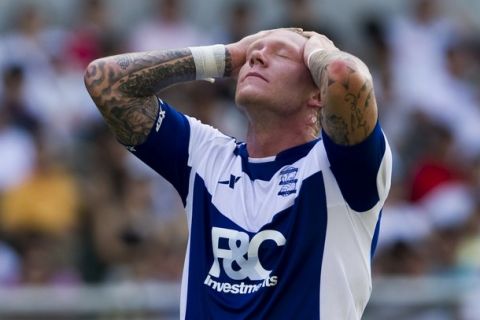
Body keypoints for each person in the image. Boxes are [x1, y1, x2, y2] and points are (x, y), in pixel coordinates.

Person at [84, 27, 392, 320]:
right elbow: (105, 81)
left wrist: (319, 51)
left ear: (317, 94)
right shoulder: (207, 156)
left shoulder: (339, 169)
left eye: (281, 55)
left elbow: (345, 76)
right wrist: (226, 57)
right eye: (252, 53)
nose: (255, 56)